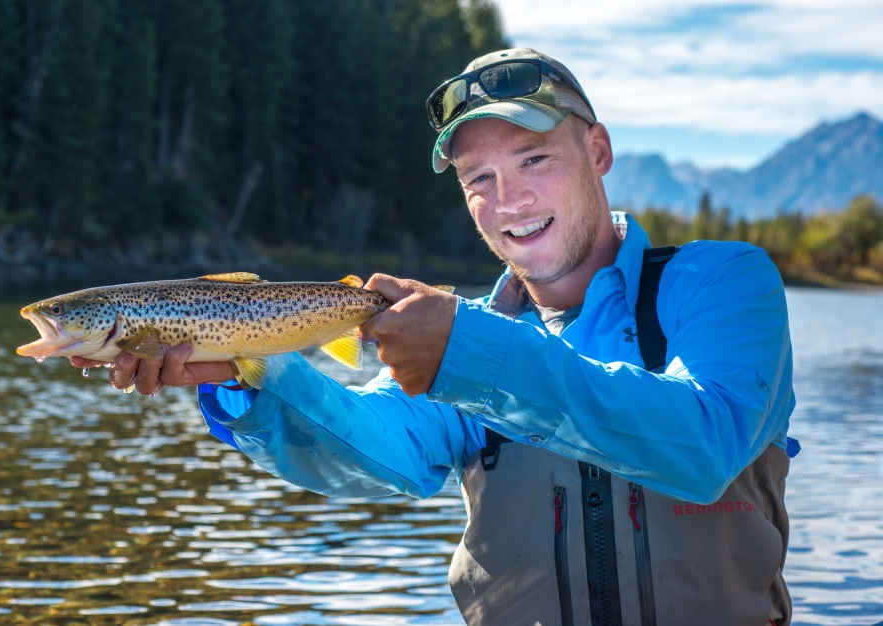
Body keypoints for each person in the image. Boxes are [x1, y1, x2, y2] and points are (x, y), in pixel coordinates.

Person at [72, 48, 798, 626]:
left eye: (534, 160)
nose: (508, 199)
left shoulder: (722, 282)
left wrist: (466, 351)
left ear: (599, 152)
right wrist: (245, 372)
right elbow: (372, 448)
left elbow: (704, 443)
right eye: (477, 176)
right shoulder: (471, 334)